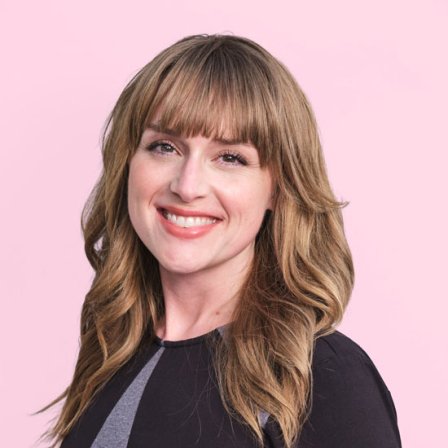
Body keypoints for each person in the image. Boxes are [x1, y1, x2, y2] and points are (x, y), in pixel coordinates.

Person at [43, 34, 402, 447]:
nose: (188, 185)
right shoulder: (113, 352)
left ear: (278, 187)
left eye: (230, 157)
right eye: (164, 147)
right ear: (127, 163)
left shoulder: (319, 376)